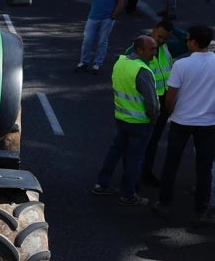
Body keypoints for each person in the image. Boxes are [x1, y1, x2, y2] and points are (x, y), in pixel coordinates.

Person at [152, 24, 215, 225]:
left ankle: (164, 203)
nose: (186, 42)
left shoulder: (181, 65)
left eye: (187, 39)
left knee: (172, 163)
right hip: (208, 123)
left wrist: (169, 112)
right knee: (204, 167)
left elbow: (171, 96)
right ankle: (201, 209)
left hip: (182, 120)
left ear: (194, 42)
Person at [91, 35, 160, 205]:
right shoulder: (143, 70)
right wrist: (154, 119)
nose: (155, 53)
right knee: (134, 159)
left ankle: (101, 184)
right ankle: (128, 195)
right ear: (139, 50)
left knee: (114, 153)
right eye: (151, 49)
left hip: (122, 119)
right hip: (140, 123)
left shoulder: (121, 62)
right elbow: (152, 102)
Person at [138, 20, 176, 186]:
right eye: (159, 36)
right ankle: (134, 175)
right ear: (152, 31)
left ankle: (146, 172)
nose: (161, 41)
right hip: (147, 101)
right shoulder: (141, 47)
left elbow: (184, 38)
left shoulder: (165, 48)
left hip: (162, 99)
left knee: (153, 140)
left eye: (165, 38)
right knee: (141, 141)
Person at [76, 0, 125, 74]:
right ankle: (84, 62)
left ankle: (97, 64)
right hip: (93, 17)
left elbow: (120, 2)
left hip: (107, 18)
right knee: (87, 40)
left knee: (102, 41)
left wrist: (113, 16)